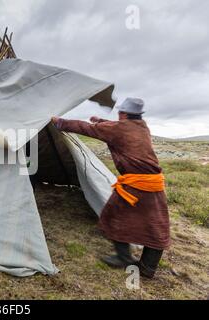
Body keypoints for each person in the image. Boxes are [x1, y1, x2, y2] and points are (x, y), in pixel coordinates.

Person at [51, 98, 170, 278]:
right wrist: (100, 121)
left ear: (123, 114)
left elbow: (86, 129)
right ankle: (148, 268)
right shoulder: (141, 126)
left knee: (113, 216)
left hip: (135, 185)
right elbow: (116, 127)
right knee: (155, 225)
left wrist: (60, 122)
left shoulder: (120, 128)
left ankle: (123, 258)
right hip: (154, 185)